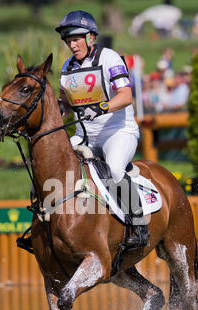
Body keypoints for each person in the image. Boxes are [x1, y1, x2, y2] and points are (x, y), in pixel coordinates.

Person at [56, 10, 149, 248]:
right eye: (69, 40)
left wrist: (101, 108)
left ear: (90, 37)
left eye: (76, 38)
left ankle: (139, 227)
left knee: (116, 171)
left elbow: (126, 96)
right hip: (83, 136)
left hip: (117, 132)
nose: (72, 44)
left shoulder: (110, 58)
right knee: (55, 168)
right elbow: (65, 105)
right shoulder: (67, 67)